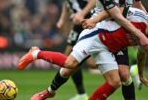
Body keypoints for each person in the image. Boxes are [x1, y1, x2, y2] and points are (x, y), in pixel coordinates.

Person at [18, 7, 148, 100]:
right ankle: (36, 53)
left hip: (108, 46)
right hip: (97, 34)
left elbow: (141, 56)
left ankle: (50, 92)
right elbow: (114, 10)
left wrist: (141, 75)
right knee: (70, 64)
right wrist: (94, 20)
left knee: (114, 82)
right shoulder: (139, 17)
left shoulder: (145, 40)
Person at [81, 0, 147, 100]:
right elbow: (113, 14)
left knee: (124, 74)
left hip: (120, 31)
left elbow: (137, 7)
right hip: (102, 31)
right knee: (74, 63)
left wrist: (146, 20)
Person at [39, 0, 96, 100]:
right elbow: (67, 0)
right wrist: (62, 19)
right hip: (78, 23)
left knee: (76, 60)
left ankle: (79, 93)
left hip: (90, 20)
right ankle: (82, 94)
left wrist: (82, 13)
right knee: (69, 59)